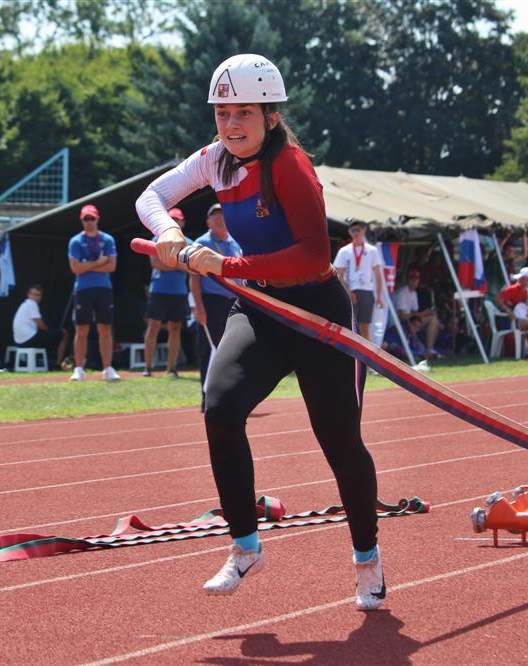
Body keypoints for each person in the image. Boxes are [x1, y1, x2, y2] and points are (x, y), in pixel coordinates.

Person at [135, 54, 384, 611]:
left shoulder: (292, 167)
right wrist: (170, 230)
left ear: (270, 116)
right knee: (219, 407)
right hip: (263, 306)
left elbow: (314, 255)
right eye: (222, 112)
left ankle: (367, 557)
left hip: (316, 308)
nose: (231, 124)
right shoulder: (215, 161)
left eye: (243, 111)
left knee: (339, 442)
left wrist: (224, 267)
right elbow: (150, 197)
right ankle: (246, 546)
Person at [190, 203, 243, 410]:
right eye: (214, 217)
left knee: (234, 352)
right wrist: (199, 307)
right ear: (208, 222)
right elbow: (194, 279)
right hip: (212, 302)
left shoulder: (235, 243)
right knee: (209, 351)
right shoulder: (200, 244)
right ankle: (208, 398)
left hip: (236, 303)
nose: (219, 219)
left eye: (222, 215)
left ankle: (230, 397)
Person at [68, 204, 120, 381]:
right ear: (82, 220)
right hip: (83, 289)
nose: (89, 221)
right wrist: (99, 262)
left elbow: (112, 266)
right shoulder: (75, 241)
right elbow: (75, 268)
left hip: (103, 288)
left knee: (105, 328)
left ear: (97, 219)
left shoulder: (108, 239)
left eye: (92, 218)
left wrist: (87, 266)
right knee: (81, 329)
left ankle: (108, 368)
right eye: (86, 219)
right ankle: (78, 368)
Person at [143, 207, 191, 377]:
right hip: (159, 290)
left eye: (177, 219)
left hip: (178, 291)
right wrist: (178, 264)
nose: (175, 222)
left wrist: (171, 264)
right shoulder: (157, 239)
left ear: (183, 223)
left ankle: (171, 368)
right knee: (153, 326)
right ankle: (148, 368)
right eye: (172, 219)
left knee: (175, 328)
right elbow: (156, 264)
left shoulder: (189, 242)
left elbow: (190, 267)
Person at [333, 221, 385, 339]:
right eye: (353, 230)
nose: (356, 233)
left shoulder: (372, 250)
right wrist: (348, 292)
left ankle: (366, 357)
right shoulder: (344, 251)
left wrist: (379, 296)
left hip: (366, 290)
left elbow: (378, 274)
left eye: (358, 230)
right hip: (350, 290)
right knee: (349, 326)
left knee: (364, 326)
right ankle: (350, 355)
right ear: (349, 232)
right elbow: (339, 274)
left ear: (364, 230)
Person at [495, 267, 528, 359]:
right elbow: (498, 299)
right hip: (511, 320)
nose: (524, 282)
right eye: (522, 279)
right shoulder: (512, 289)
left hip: (523, 318)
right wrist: (508, 310)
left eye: (527, 280)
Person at [12, 285, 65, 368]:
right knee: (64, 333)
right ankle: (58, 364)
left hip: (19, 342)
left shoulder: (24, 305)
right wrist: (49, 331)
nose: (36, 297)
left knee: (49, 335)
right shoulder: (31, 304)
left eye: (38, 295)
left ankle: (45, 361)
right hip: (28, 340)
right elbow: (40, 325)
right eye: (34, 294)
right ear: (28, 295)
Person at [395, 269, 440, 362]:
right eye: (412, 279)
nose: (414, 282)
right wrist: (422, 314)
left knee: (433, 319)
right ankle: (418, 350)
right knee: (415, 323)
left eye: (416, 279)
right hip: (400, 323)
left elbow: (414, 312)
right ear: (408, 280)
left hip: (411, 320)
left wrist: (425, 314)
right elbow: (402, 316)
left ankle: (429, 349)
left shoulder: (414, 293)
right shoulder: (402, 292)